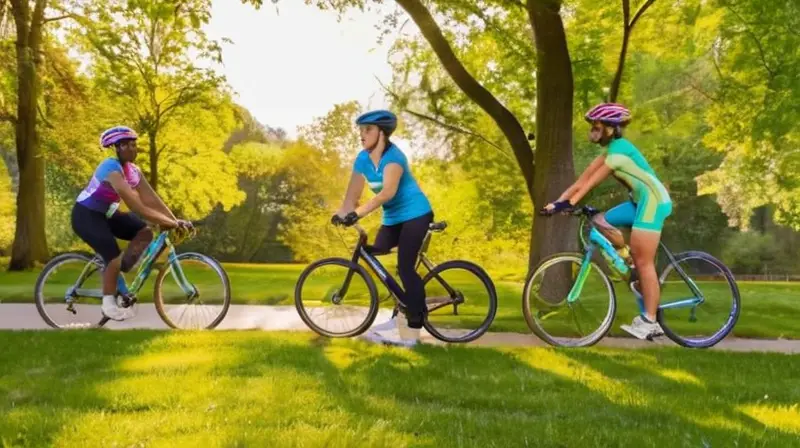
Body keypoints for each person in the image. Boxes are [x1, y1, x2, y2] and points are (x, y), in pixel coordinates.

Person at [541, 103, 672, 340]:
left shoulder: (619, 153)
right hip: (639, 202)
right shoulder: (610, 151)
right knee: (600, 220)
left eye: (596, 126)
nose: (592, 131)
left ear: (611, 129)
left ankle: (650, 321)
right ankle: (627, 258)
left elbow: (591, 185)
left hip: (653, 201)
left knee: (645, 262)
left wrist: (569, 204)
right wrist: (556, 203)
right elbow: (581, 181)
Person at [332, 110, 434, 347]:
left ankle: (413, 330)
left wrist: (356, 214)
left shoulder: (394, 158)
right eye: (360, 130)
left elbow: (387, 193)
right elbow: (352, 196)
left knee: (405, 268)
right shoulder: (362, 159)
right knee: (374, 254)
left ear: (382, 133)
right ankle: (398, 314)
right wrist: (341, 213)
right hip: (393, 219)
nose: (362, 134)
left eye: (367, 129)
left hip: (415, 214)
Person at [72, 126, 191, 321]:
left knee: (145, 232)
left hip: (107, 214)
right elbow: (137, 206)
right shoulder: (110, 169)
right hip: (87, 215)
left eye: (135, 145)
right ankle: (108, 304)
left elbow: (152, 199)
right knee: (113, 257)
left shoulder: (133, 171)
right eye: (129, 146)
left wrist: (174, 220)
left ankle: (119, 279)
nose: (134, 149)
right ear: (118, 148)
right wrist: (170, 223)